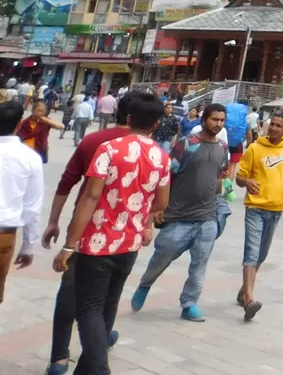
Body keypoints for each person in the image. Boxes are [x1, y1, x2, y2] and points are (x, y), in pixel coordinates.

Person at [53, 91, 170, 375]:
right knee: (108, 306)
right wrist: (141, 219)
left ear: (128, 119)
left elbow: (91, 196)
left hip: (97, 243)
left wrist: (69, 245)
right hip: (129, 245)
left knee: (89, 309)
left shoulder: (110, 149)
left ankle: (99, 369)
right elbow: (162, 203)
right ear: (156, 124)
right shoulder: (162, 156)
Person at [40, 91, 143, 375]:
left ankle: (59, 358)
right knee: (107, 300)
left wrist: (53, 221)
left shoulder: (93, 141)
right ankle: (95, 357)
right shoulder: (150, 149)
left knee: (71, 293)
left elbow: (67, 182)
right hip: (124, 235)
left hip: (86, 228)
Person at [129, 103, 231, 322]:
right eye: (215, 119)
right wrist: (159, 208)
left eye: (222, 121)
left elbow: (220, 176)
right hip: (178, 217)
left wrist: (219, 197)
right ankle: (145, 284)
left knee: (199, 264)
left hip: (207, 217)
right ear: (204, 120)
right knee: (160, 259)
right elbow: (166, 176)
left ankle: (189, 303)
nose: (218, 124)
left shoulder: (223, 148)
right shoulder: (187, 144)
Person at [235, 113, 283, 320]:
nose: (273, 128)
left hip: (276, 209)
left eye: (278, 126)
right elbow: (240, 176)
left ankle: (242, 291)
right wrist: (246, 182)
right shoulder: (255, 148)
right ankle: (249, 300)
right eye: (271, 124)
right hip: (255, 208)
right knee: (252, 252)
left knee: (262, 255)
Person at [0, 99, 44, 305]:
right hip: (4, 236)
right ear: (19, 124)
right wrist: (28, 247)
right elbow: (32, 208)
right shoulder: (30, 158)